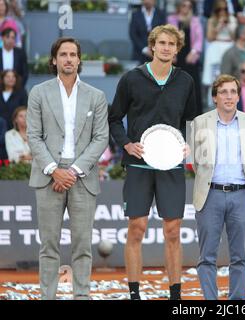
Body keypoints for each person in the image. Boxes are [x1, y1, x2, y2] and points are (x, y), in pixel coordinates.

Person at [108, 24, 197, 300]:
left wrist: (188, 144)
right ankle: (134, 293)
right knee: (137, 228)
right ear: (152, 45)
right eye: (161, 43)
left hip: (171, 165)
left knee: (172, 231)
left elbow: (191, 121)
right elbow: (114, 118)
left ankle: (175, 295)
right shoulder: (131, 78)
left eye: (172, 44)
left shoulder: (185, 81)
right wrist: (126, 143)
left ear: (177, 49)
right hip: (138, 165)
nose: (166, 48)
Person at [26, 37, 109, 300]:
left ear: (80, 60)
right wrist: (54, 169)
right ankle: (47, 296)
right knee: (49, 245)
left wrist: (72, 171)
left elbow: (101, 138)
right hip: (48, 175)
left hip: (82, 177)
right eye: (63, 54)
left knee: (82, 245)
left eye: (73, 54)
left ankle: (81, 296)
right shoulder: (38, 92)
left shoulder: (96, 96)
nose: (69, 59)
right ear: (54, 60)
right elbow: (34, 136)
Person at [191, 74, 245, 300]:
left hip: (241, 195)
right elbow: (193, 162)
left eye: (233, 92)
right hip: (209, 195)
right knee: (206, 257)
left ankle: (236, 303)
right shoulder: (200, 122)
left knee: (240, 257)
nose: (229, 96)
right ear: (214, 97)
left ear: (239, 96)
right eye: (223, 92)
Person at [168, 0, 203, 116]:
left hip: (190, 57)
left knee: (193, 86)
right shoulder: (171, 20)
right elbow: (168, 38)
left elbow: (199, 39)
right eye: (184, 5)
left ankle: (194, 116)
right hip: (176, 57)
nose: (186, 8)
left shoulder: (195, 20)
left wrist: (193, 52)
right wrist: (172, 54)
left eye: (189, 6)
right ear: (178, 6)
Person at [202, 0, 237, 88]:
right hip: (216, 47)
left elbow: (235, 37)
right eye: (219, 9)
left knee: (229, 74)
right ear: (216, 10)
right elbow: (209, 38)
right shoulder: (212, 20)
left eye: (225, 9)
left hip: (229, 46)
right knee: (216, 77)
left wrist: (228, 26)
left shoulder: (232, 19)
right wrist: (218, 27)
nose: (222, 12)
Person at [129, 0, 166, 64]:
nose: (147, 1)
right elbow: (133, 34)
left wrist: (154, 48)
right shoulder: (135, 14)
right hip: (139, 54)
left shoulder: (161, 14)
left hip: (157, 54)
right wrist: (144, 49)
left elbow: (163, 32)